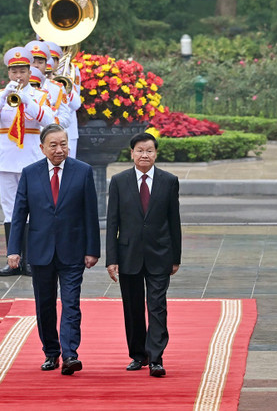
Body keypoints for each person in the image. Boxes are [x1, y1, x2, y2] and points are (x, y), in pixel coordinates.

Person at [7, 123, 100, 375]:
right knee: (44, 305)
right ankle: (51, 352)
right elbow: (19, 215)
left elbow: (91, 214)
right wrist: (14, 249)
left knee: (71, 303)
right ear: (42, 148)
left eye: (64, 144)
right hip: (40, 251)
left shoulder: (82, 171)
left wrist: (93, 250)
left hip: (73, 249)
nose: (60, 150)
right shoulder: (30, 173)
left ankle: (70, 354)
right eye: (54, 145)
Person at [106, 132, 181, 377]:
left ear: (156, 153)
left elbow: (174, 221)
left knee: (157, 307)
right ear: (132, 154)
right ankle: (138, 356)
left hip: (160, 254)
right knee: (133, 308)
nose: (144, 155)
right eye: (140, 150)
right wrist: (111, 259)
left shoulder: (169, 181)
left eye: (149, 150)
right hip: (129, 256)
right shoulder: (119, 181)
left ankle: (157, 357)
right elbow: (113, 222)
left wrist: (176, 257)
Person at [0, 47, 55, 277]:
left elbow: (49, 120)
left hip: (31, 159)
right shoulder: (1, 95)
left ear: (30, 71)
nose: (18, 76)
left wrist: (26, 99)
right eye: (14, 71)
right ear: (8, 72)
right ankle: (13, 259)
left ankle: (32, 259)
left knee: (33, 210)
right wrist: (4, 95)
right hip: (6, 159)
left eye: (22, 71)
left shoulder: (39, 95)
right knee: (10, 211)